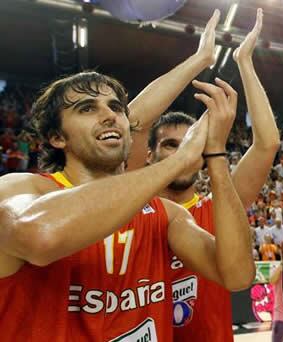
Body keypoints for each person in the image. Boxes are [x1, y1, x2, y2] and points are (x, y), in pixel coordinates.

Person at [0, 68, 253, 340]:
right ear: (57, 137)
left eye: (116, 108)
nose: (109, 115)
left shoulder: (165, 214)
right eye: (87, 109)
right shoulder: (19, 187)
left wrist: (215, 154)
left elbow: (237, 275)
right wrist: (179, 160)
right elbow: (39, 236)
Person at [133, 9, 279, 341]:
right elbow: (135, 122)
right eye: (170, 145)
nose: (182, 154)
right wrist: (200, 59)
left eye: (189, 144)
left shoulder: (218, 207)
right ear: (149, 154)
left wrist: (245, 63)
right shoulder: (128, 208)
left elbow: (267, 143)